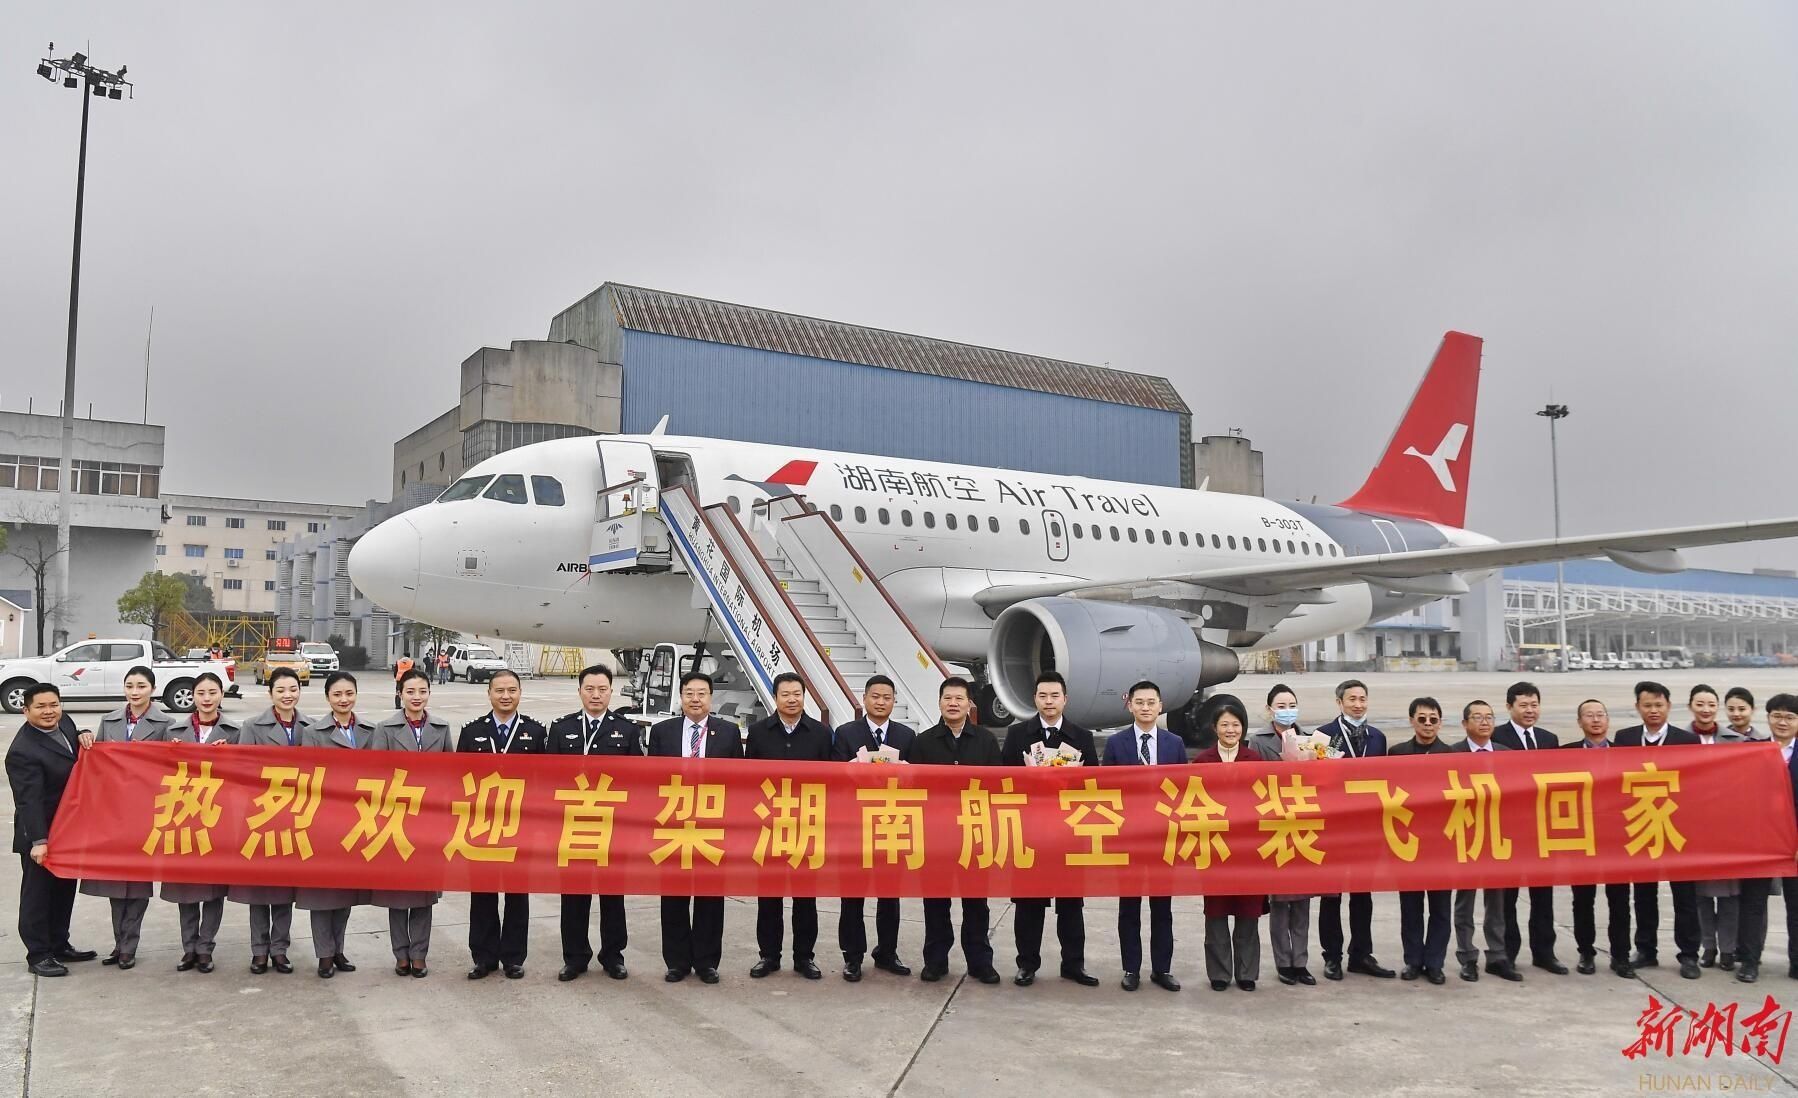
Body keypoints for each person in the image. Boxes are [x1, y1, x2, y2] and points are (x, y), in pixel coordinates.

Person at [1001, 671, 1100, 987]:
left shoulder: (1082, 737)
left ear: (1065, 699)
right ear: (1035, 699)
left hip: (1069, 834)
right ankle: (1027, 964)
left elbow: (1095, 785)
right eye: (1043, 696)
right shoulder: (1017, 736)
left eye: (1054, 696)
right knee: (1029, 905)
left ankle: (1073, 964)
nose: (1049, 701)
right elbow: (1003, 782)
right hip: (1030, 833)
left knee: (1071, 905)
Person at [903, 676, 1002, 985]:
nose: (954, 703)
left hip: (975, 833)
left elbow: (998, 786)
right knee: (935, 903)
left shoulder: (985, 740)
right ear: (940, 703)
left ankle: (980, 962)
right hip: (937, 837)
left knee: (976, 902)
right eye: (948, 698)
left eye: (960, 698)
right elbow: (914, 789)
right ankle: (935, 961)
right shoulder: (924, 741)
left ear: (969, 703)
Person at [646, 671, 742, 984]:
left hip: (713, 826)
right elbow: (651, 780)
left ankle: (706, 962)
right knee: (673, 895)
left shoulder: (728, 733)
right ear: (681, 697)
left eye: (701, 693)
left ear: (711, 698)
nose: (695, 699)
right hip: (673, 824)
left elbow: (739, 783)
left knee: (709, 896)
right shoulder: (663, 732)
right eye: (689, 693)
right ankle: (676, 962)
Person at [549, 664, 641, 982]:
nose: (596, 695)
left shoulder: (627, 731)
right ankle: (575, 957)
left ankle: (613, 956)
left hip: (612, 827)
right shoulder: (561, 730)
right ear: (579, 692)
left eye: (602, 689)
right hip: (573, 826)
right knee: (574, 895)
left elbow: (639, 783)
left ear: (611, 692)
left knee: (612, 895)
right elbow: (547, 782)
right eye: (589, 689)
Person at [81, 666, 176, 970]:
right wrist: (84, 739)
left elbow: (169, 769)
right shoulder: (109, 721)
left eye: (141, 686)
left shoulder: (166, 724)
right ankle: (118, 942)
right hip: (114, 813)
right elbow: (98, 762)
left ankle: (128, 946)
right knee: (114, 882)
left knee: (136, 883)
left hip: (145, 813)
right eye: (130, 686)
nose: (135, 692)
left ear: (152, 689)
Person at [742, 672, 833, 980]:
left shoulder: (821, 734)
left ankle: (804, 957)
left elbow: (831, 782)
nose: (792, 699)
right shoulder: (758, 733)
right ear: (775, 697)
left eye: (797, 694)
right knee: (769, 896)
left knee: (805, 897)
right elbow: (747, 780)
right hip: (768, 826)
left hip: (807, 825)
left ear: (804, 696)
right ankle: (768, 956)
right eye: (786, 694)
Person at [458, 669, 548, 980]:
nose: (505, 696)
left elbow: (544, 784)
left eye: (511, 690)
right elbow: (459, 780)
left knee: (516, 893)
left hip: (519, 828)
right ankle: (483, 958)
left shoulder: (536, 733)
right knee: (482, 893)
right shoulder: (472, 733)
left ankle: (513, 957)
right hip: (482, 828)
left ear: (520, 693)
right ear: (489, 694)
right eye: (499, 690)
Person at [364, 668, 453, 976]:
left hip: (429, 821)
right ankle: (400, 953)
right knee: (398, 893)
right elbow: (375, 773)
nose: (417, 697)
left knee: (422, 894)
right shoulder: (385, 729)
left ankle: (419, 954)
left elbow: (451, 773)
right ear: (400, 694)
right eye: (411, 692)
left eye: (422, 691)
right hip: (397, 820)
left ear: (429, 693)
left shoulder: (441, 728)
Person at [7, 684, 97, 977]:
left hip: (68, 828)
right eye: (41, 707)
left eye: (54, 704)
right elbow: (28, 800)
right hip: (41, 833)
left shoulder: (64, 721)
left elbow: (71, 742)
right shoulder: (23, 750)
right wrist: (39, 841)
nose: (49, 711)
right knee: (38, 895)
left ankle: (59, 944)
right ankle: (38, 955)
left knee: (63, 889)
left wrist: (83, 732)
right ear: (26, 711)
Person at [1102, 680, 1187, 991]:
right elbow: (1105, 791)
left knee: (1162, 907)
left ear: (1160, 706)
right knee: (1130, 907)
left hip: (1163, 839)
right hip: (1129, 839)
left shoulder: (1174, 743)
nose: (1146, 707)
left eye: (1151, 702)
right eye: (1140, 702)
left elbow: (1183, 792)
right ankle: (1131, 969)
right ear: (1130, 706)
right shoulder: (1116, 744)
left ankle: (1162, 969)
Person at [832, 675, 917, 982]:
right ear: (864, 699)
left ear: (894, 701)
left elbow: (921, 783)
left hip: (891, 824)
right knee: (852, 895)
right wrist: (852, 769)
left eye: (887, 697)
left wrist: (909, 774)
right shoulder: (845, 734)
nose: (881, 702)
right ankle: (852, 957)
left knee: (889, 894)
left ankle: (887, 952)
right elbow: (832, 778)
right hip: (854, 827)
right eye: (875, 696)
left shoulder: (906, 736)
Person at [1614, 680, 1701, 977]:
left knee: (1684, 896)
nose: (1653, 710)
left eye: (1659, 705)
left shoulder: (1686, 741)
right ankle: (1646, 950)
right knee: (1644, 894)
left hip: (1676, 827)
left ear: (1668, 707)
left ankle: (1689, 954)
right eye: (1647, 705)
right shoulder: (1624, 738)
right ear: (1638, 707)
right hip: (1641, 825)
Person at [1314, 679, 1395, 981]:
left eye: (1362, 698)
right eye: (1352, 699)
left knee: (1363, 894)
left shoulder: (1378, 738)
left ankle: (1361, 954)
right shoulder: (1324, 735)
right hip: (1334, 828)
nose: (1358, 704)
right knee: (1331, 895)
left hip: (1366, 829)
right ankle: (1332, 956)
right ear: (1340, 703)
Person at [230, 667, 308, 975]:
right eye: (281, 690)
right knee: (260, 889)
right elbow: (244, 770)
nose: (287, 695)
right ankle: (259, 951)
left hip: (295, 816)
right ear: (270, 693)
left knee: (285, 889)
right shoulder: (252, 726)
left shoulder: (309, 727)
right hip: (261, 816)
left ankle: (280, 950)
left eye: (293, 689)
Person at [297, 671, 375, 978]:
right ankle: (324, 954)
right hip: (324, 820)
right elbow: (308, 775)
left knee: (345, 892)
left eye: (349, 694)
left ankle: (338, 949)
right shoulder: (314, 732)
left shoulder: (370, 731)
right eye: (337, 695)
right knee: (322, 893)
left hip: (357, 821)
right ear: (328, 698)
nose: (344, 700)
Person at [161, 672, 237, 973]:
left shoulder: (235, 732)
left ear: (221, 695)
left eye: (213, 692)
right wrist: (172, 753)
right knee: (187, 888)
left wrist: (229, 757)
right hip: (183, 817)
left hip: (217, 818)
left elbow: (248, 775)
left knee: (213, 888)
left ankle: (206, 947)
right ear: (193, 696)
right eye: (201, 693)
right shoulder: (173, 731)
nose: (207, 698)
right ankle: (188, 947)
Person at [1489, 681, 1566, 976]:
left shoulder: (1549, 738)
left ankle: (1544, 952)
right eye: (1524, 705)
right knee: (1507, 897)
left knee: (1542, 895)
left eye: (1534, 705)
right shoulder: (1496, 737)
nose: (1530, 710)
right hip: (1509, 829)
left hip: (1541, 830)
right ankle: (1506, 952)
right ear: (1509, 707)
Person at [1192, 694, 1266, 991]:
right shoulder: (1202, 761)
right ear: (1215, 728)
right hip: (1215, 848)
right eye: (1225, 725)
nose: (1231, 730)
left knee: (1248, 915)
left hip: (1248, 850)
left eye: (1236, 725)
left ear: (1243, 728)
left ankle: (1247, 973)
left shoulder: (1255, 760)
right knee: (1217, 914)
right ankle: (1220, 974)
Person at [1562, 699, 1634, 978]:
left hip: (1617, 839)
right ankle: (1586, 953)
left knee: (1619, 901)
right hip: (1581, 839)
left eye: (1600, 715)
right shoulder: (1563, 755)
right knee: (1582, 900)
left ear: (1608, 720)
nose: (1595, 720)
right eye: (1589, 716)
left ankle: (1621, 956)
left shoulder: (1626, 755)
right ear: (1579, 722)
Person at [1732, 694, 1798, 984]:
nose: (1782, 722)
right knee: (1753, 903)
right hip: (1760, 842)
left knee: (1796, 905)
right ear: (1768, 717)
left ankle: (1796, 962)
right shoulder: (1752, 751)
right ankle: (1749, 961)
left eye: (1790, 717)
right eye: (1777, 716)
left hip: (1795, 845)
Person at [1448, 700, 1514, 982]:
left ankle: (1497, 955)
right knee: (1465, 900)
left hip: (1497, 836)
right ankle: (1467, 955)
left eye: (1489, 717)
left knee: (1497, 901)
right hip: (1465, 836)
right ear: (1465, 724)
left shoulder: (1507, 755)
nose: (1485, 722)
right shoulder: (1451, 755)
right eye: (1477, 717)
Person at [1389, 697, 1453, 984]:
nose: (1428, 724)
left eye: (1433, 719)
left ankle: (1436, 962)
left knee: (1440, 909)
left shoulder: (1453, 755)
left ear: (1440, 722)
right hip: (1408, 842)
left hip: (1442, 844)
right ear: (1412, 720)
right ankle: (1413, 961)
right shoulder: (1397, 753)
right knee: (1411, 908)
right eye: (1422, 718)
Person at [1688, 684, 1745, 972]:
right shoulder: (1679, 740)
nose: (1706, 709)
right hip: (1692, 829)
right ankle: (1707, 947)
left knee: (1729, 897)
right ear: (1690, 707)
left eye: (1711, 704)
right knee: (1701, 896)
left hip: (1727, 830)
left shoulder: (1736, 741)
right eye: (1700, 704)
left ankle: (1728, 949)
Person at [1248, 683, 1302, 763]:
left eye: (1292, 706)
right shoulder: (1257, 741)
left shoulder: (1307, 737)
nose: (1288, 710)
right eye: (1281, 707)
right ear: (1269, 709)